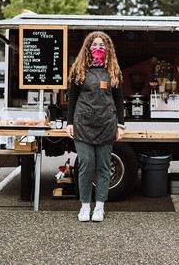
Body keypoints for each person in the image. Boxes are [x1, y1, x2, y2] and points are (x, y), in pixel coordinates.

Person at [66, 31, 125, 222]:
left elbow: (118, 99)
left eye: (101, 45)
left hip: (106, 125)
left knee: (103, 167)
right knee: (86, 164)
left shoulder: (113, 71)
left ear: (107, 49)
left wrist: (121, 124)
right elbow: (72, 98)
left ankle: (99, 207)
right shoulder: (79, 70)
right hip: (83, 125)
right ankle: (85, 206)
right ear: (88, 48)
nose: (97, 48)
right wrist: (69, 123)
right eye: (94, 45)